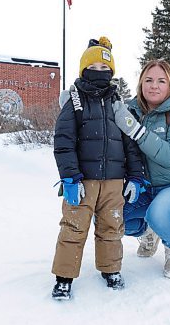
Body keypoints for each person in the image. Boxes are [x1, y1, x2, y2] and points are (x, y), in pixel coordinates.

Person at [51, 36, 144, 300]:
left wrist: (135, 177)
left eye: (105, 69)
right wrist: (70, 177)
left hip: (114, 182)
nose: (100, 73)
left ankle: (110, 269)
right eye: (94, 68)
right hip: (83, 183)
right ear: (83, 69)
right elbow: (63, 142)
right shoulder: (75, 101)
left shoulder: (117, 103)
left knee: (112, 228)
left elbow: (130, 143)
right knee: (73, 227)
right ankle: (64, 277)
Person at [112, 59, 170, 279]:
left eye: (161, 81)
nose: (154, 86)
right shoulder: (132, 109)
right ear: (140, 83)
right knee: (109, 214)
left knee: (161, 212)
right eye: (149, 80)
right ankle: (149, 231)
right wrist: (74, 99)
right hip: (146, 188)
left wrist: (135, 130)